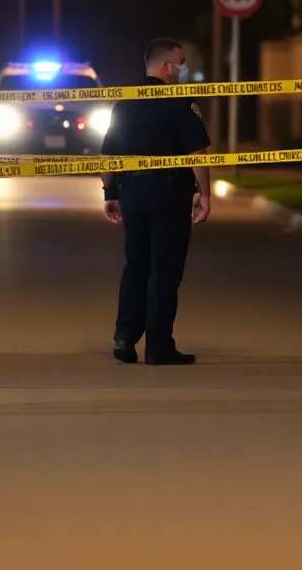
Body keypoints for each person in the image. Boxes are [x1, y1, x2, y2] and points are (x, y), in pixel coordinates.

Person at [100, 38, 212, 365]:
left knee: (136, 265)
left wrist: (111, 194)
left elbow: (109, 155)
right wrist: (204, 195)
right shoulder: (180, 102)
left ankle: (125, 337)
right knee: (164, 268)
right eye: (181, 63)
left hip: (132, 193)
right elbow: (197, 153)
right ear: (166, 66)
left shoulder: (124, 103)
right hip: (169, 194)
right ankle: (158, 345)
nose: (184, 69)